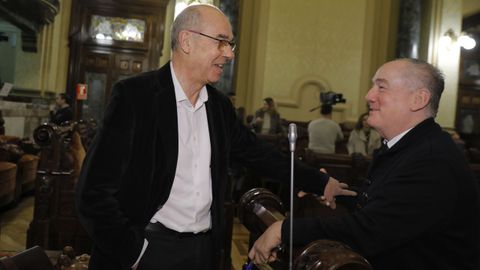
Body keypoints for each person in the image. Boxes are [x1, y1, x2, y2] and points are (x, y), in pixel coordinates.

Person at [75, 4, 355, 270]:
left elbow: (261, 155)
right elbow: (93, 193)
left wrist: (321, 182)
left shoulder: (219, 107)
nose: (229, 54)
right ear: (187, 41)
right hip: (147, 248)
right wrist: (134, 254)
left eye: (230, 44)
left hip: (204, 252)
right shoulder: (136, 97)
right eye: (221, 41)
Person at [249, 58, 480, 270]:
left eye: (381, 87)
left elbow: (370, 230)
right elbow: (388, 206)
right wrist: (337, 192)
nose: (369, 96)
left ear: (418, 99)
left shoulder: (432, 160)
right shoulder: (409, 146)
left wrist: (285, 230)